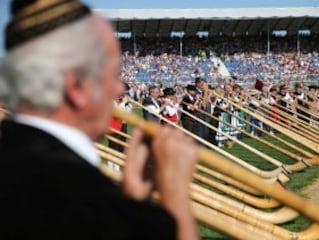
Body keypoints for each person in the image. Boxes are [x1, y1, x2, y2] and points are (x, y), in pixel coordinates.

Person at [0, 1, 199, 240]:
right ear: (77, 87)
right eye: (113, 74)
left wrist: (132, 203)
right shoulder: (82, 200)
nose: (118, 89)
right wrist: (175, 194)